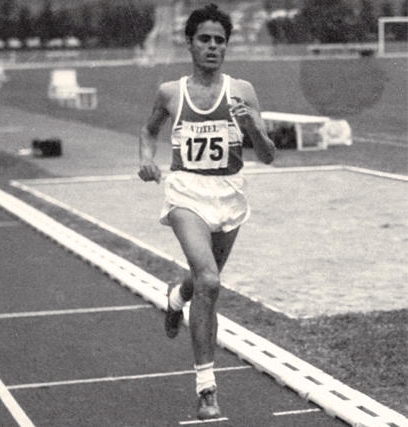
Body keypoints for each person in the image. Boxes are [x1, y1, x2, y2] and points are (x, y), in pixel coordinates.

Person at [137, 3, 275, 421]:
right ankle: (206, 390)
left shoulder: (242, 91)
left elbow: (268, 156)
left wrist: (251, 125)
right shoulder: (171, 92)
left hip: (229, 193)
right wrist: (147, 160)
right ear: (190, 43)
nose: (213, 47)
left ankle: (176, 296)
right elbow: (149, 130)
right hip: (186, 193)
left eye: (220, 41)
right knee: (211, 282)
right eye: (205, 39)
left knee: (201, 280)